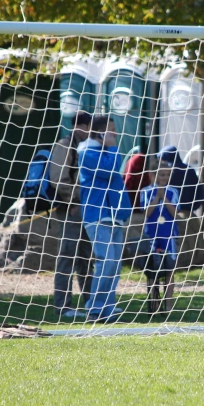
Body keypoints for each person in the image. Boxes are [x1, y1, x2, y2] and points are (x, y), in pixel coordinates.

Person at [77, 115, 132, 322]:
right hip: (97, 215)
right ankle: (95, 308)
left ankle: (107, 306)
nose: (115, 135)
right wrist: (112, 147)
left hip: (115, 216)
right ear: (100, 133)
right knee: (106, 260)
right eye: (111, 130)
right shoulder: (88, 153)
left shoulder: (106, 152)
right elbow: (109, 170)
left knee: (115, 264)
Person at [49, 111, 94, 320]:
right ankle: (63, 306)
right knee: (66, 258)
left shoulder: (87, 147)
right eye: (88, 128)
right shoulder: (65, 145)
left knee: (87, 259)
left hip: (87, 211)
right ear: (80, 126)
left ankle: (92, 303)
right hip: (70, 211)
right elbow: (59, 178)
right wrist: (74, 201)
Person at [139, 164, 180, 313]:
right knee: (152, 269)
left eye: (167, 175)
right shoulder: (146, 192)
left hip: (169, 235)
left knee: (170, 270)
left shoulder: (173, 191)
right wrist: (157, 197)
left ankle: (168, 305)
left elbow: (175, 213)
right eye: (162, 175)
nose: (165, 178)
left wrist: (165, 198)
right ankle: (154, 304)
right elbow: (147, 212)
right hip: (152, 235)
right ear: (153, 175)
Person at [156, 145, 204, 214]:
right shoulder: (189, 170)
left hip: (170, 215)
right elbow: (200, 193)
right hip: (189, 214)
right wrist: (192, 207)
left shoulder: (166, 172)